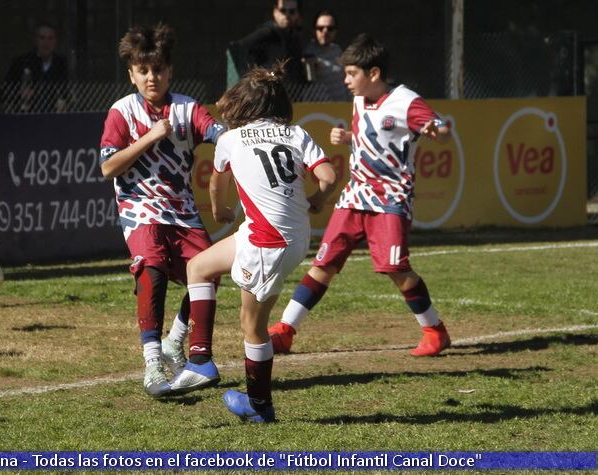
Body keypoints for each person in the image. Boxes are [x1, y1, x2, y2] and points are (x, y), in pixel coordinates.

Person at [168, 65, 337, 423]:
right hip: (287, 235)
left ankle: (259, 407)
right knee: (198, 266)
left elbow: (217, 184)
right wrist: (318, 200)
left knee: (252, 325)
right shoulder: (295, 133)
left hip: (267, 240)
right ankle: (199, 358)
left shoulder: (230, 139)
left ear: (245, 104)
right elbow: (328, 176)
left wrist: (220, 210)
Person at [268, 33, 453, 357]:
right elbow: (377, 136)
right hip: (356, 194)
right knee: (324, 261)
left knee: (396, 268)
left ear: (374, 74)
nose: (346, 80)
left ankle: (434, 331)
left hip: (391, 197)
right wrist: (349, 137)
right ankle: (285, 331)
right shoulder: (359, 100)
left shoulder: (406, 101)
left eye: (352, 73)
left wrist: (436, 130)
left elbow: (442, 129)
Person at [99, 24, 225, 398]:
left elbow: (216, 131)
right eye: (143, 70)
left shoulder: (187, 108)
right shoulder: (122, 112)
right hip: (140, 210)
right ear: (132, 74)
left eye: (159, 69)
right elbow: (108, 167)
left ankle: (176, 340)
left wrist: (236, 134)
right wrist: (151, 136)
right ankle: (153, 362)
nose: (152, 77)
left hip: (183, 212)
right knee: (150, 271)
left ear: (170, 71)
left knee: (211, 272)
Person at [230, 0, 305, 84]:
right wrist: (262, 75)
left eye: (292, 11)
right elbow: (239, 48)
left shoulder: (292, 36)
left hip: (289, 90)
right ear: (275, 11)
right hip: (267, 88)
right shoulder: (267, 33)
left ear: (297, 13)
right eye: (283, 10)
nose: (287, 15)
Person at [0, 24, 69, 113]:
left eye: (50, 38)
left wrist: (64, 102)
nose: (46, 43)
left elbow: (66, 91)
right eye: (42, 38)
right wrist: (19, 93)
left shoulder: (61, 63)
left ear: (55, 41)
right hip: (27, 114)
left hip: (53, 115)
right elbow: (3, 92)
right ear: (36, 40)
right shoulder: (21, 62)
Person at [301, 10, 349, 102]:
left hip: (343, 108)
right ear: (314, 30)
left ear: (335, 31)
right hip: (321, 110)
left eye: (330, 28)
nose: (325, 31)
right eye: (320, 28)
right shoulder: (308, 53)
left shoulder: (337, 49)